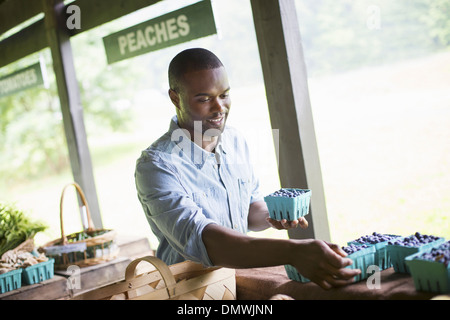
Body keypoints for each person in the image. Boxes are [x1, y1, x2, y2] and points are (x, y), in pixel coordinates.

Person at [135, 48, 360, 290]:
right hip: (190, 293)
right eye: (204, 99)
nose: (219, 107)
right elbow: (205, 241)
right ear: (175, 98)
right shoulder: (156, 166)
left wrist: (272, 215)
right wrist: (294, 252)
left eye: (224, 95)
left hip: (240, 279)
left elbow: (250, 209)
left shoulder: (234, 140)